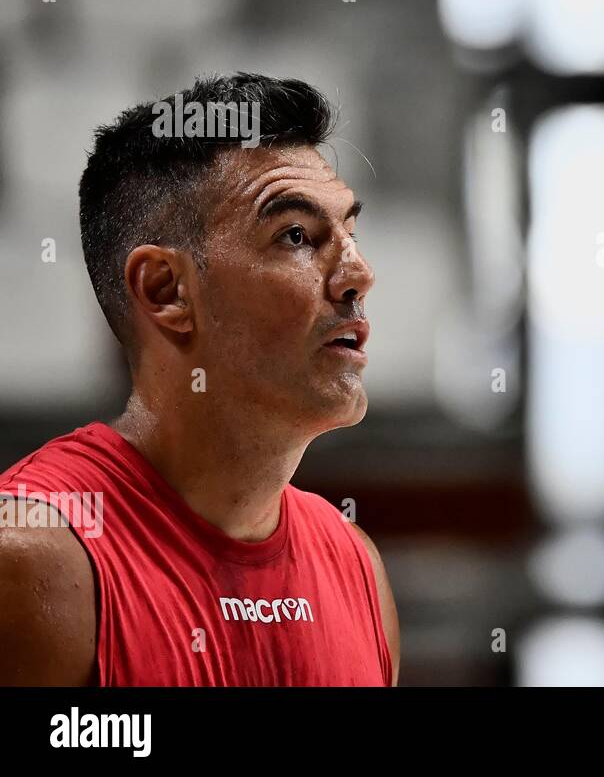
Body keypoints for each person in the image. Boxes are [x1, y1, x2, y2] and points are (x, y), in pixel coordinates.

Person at [0, 72, 399, 685]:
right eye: (297, 235)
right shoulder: (35, 561)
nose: (358, 273)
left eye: (350, 230)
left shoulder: (355, 566)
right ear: (167, 292)